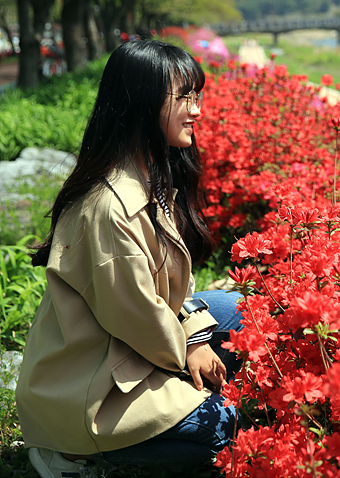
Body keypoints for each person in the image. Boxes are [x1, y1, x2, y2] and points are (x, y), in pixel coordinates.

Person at [16, 40, 242, 477]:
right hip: (86, 389)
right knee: (227, 428)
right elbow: (138, 316)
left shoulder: (145, 178)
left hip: (121, 349)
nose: (196, 110)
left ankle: (175, 393)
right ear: (141, 103)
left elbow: (174, 290)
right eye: (184, 97)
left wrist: (195, 335)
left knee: (236, 314)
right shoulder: (109, 205)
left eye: (198, 96)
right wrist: (191, 349)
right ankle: (70, 456)